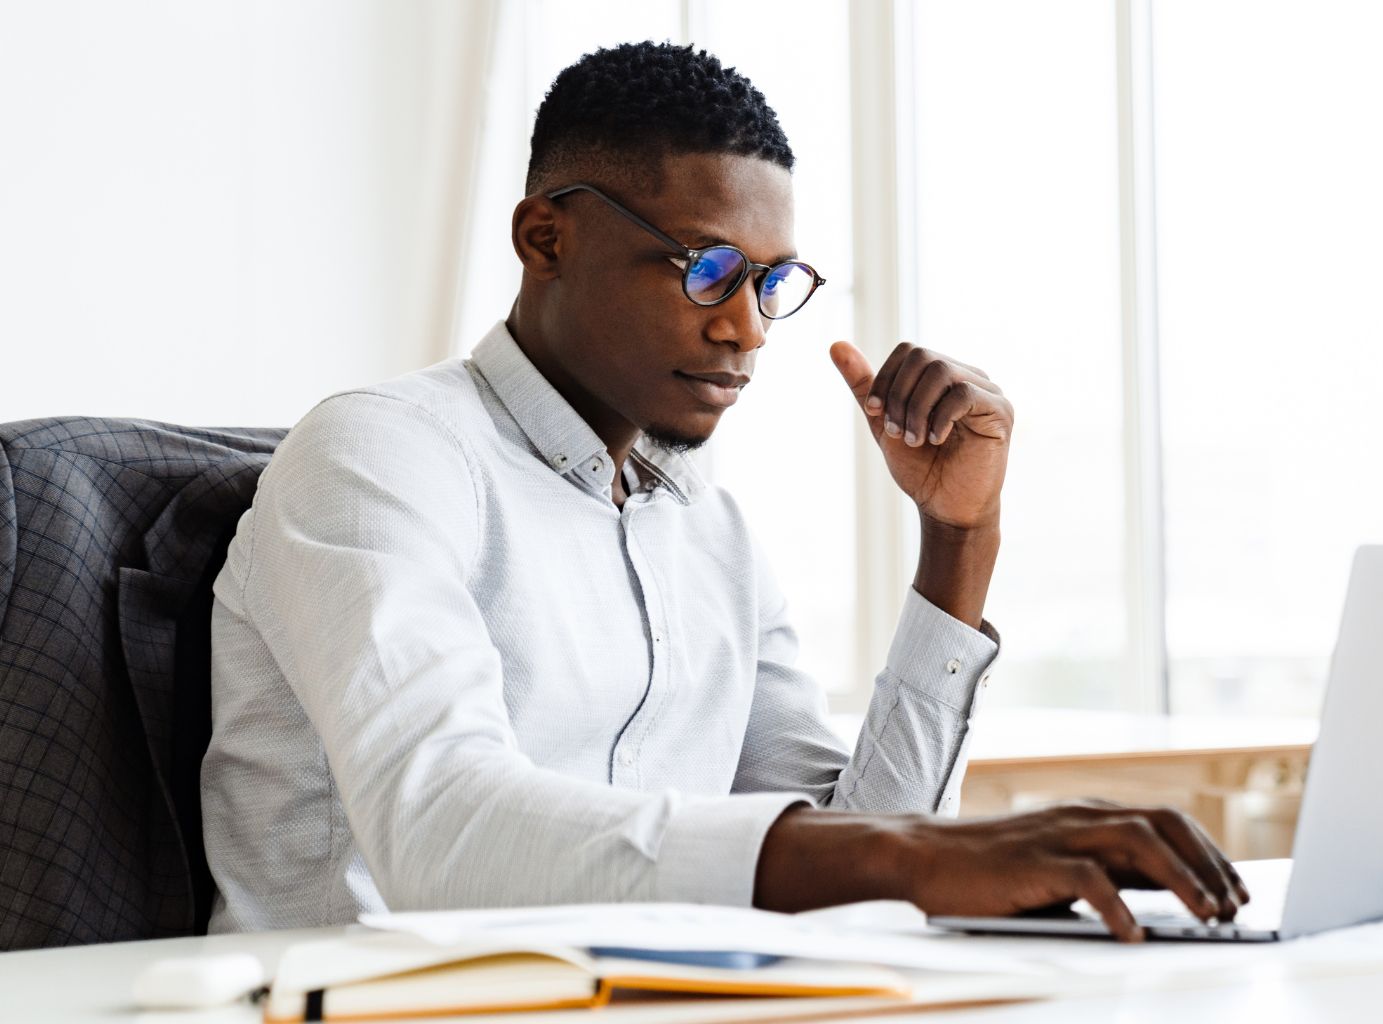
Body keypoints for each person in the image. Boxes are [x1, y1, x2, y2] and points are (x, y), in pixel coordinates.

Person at [199, 41, 1244, 943]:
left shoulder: (709, 528)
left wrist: (956, 539)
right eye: (705, 269)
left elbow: (866, 867)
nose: (745, 327)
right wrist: (911, 855)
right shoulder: (380, 456)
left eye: (770, 283)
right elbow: (443, 830)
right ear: (546, 239)